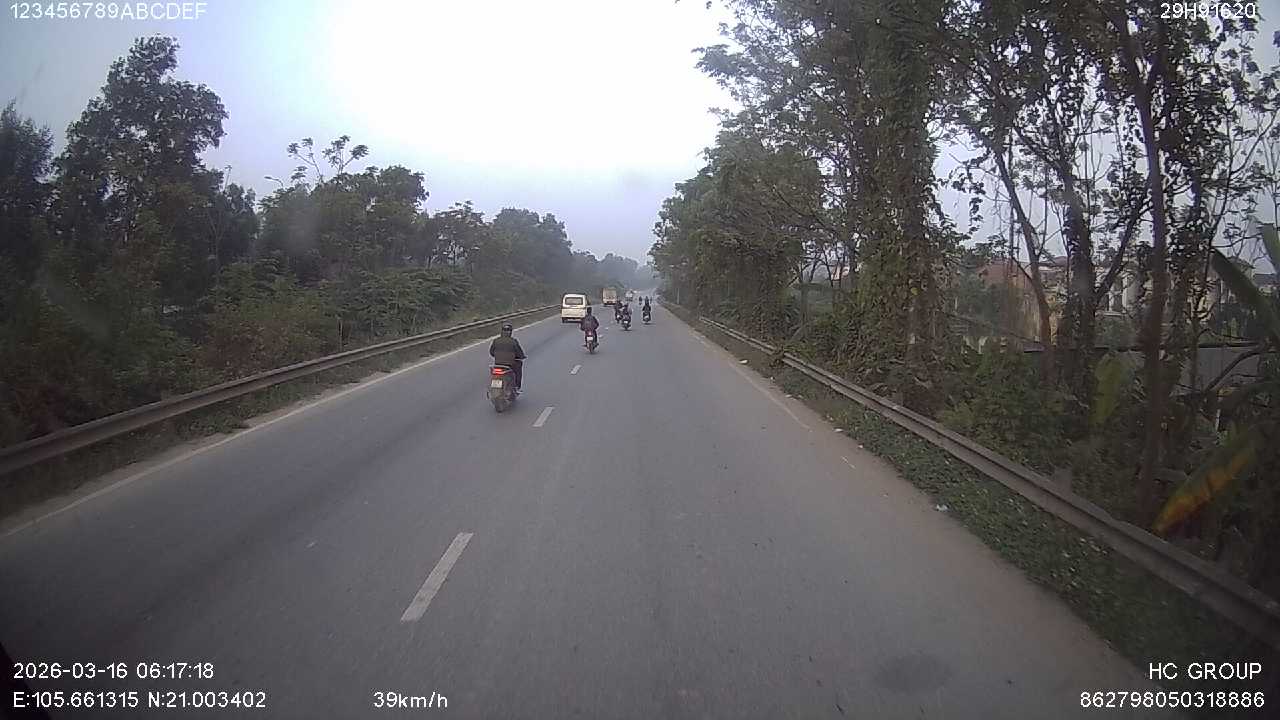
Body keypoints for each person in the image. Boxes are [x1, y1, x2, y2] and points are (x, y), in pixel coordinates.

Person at [489, 323, 526, 394]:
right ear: (510, 332)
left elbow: (491, 352)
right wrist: (522, 356)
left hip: (498, 364)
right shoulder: (513, 341)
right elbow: (519, 353)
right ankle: (517, 387)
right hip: (510, 365)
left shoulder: (496, 340)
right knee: (518, 368)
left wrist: (497, 356)